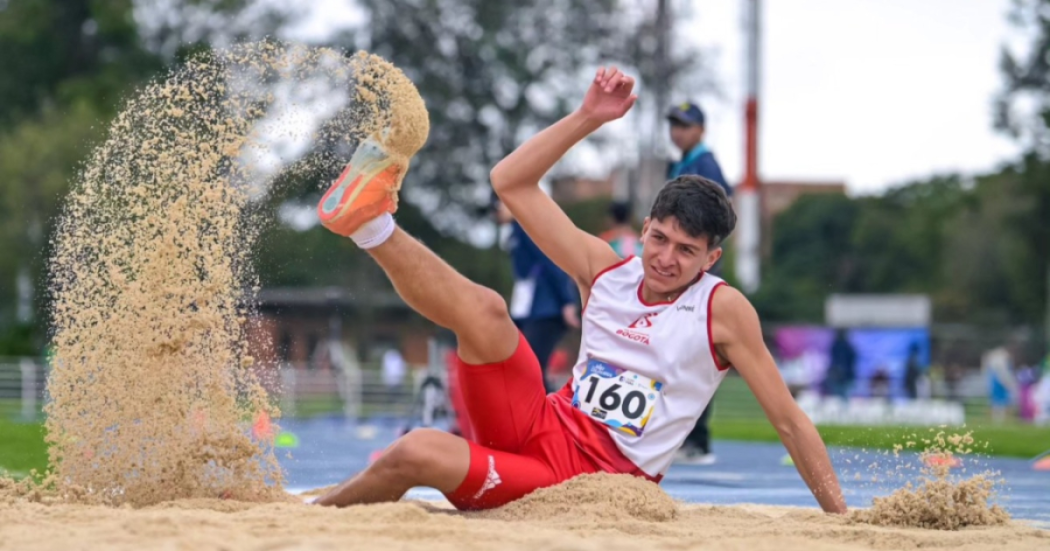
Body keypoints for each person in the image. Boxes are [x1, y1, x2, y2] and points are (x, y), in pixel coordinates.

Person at [311, 66, 846, 514]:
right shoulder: (606, 270)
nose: (664, 258)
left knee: (417, 451)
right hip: (538, 421)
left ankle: (318, 518)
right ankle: (368, 224)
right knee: (486, 310)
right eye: (659, 239)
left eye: (685, 251)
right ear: (642, 230)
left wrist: (839, 519)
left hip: (585, 485)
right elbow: (510, 182)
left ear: (712, 258)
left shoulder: (722, 310)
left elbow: (788, 420)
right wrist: (587, 117)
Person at [665, 102, 730, 465]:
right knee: (672, 355)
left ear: (701, 130)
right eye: (674, 124)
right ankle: (677, 436)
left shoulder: (705, 164)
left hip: (696, 275)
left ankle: (698, 441)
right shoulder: (679, 164)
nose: (677, 131)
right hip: (678, 273)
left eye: (684, 125)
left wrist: (699, 263)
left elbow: (723, 214)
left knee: (693, 356)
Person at [493, 195, 581, 392]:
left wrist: (567, 302)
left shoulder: (527, 228)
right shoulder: (514, 232)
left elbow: (552, 263)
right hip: (530, 309)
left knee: (533, 368)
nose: (496, 210)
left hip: (545, 308)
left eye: (499, 204)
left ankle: (548, 416)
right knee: (526, 365)